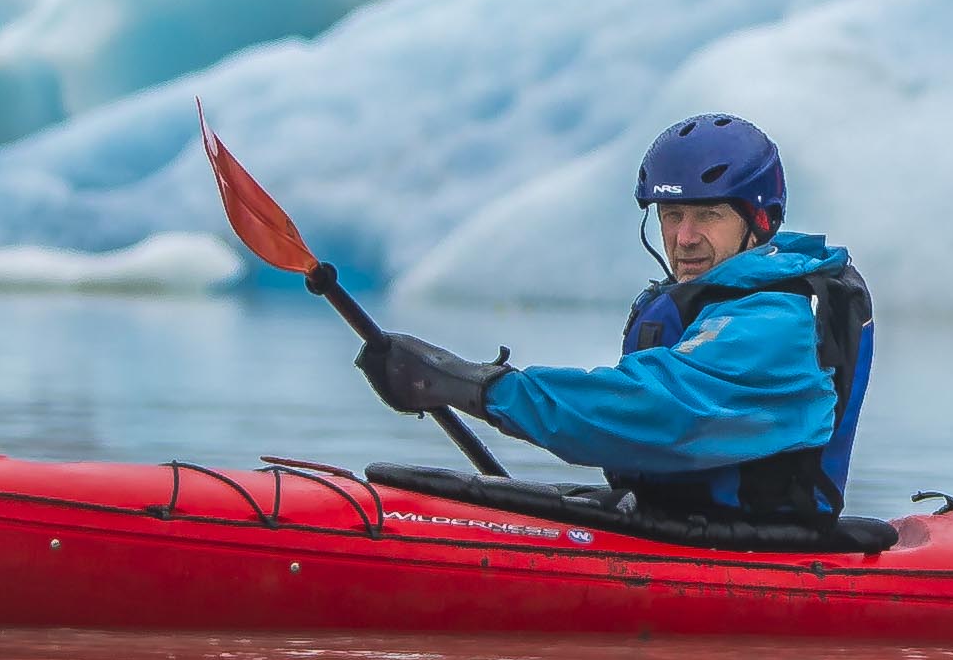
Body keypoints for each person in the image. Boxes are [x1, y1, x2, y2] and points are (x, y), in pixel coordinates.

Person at [349, 113, 875, 521]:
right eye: (672, 215)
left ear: (760, 221)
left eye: (708, 215)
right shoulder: (720, 301)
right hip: (683, 522)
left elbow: (657, 410)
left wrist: (475, 387)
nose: (684, 238)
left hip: (758, 547)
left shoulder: (779, 321)